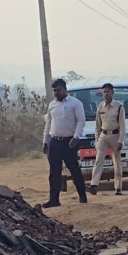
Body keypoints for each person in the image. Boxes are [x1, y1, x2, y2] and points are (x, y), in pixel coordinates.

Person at [42, 78, 88, 207]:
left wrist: (76, 136)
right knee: (54, 172)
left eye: (58, 90)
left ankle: (82, 196)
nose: (56, 93)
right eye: (54, 91)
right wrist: (45, 142)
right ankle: (54, 199)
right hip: (54, 141)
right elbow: (48, 124)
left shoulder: (75, 103)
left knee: (74, 170)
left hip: (69, 142)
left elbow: (81, 121)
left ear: (65, 89)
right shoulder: (52, 105)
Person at [88, 83, 126, 196]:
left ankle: (118, 187)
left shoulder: (119, 107)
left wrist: (120, 141)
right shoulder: (100, 107)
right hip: (103, 136)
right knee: (99, 160)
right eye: (104, 92)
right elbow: (97, 125)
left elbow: (123, 126)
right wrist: (97, 139)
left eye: (108, 91)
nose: (105, 94)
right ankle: (94, 185)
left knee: (117, 162)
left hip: (115, 135)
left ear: (112, 92)